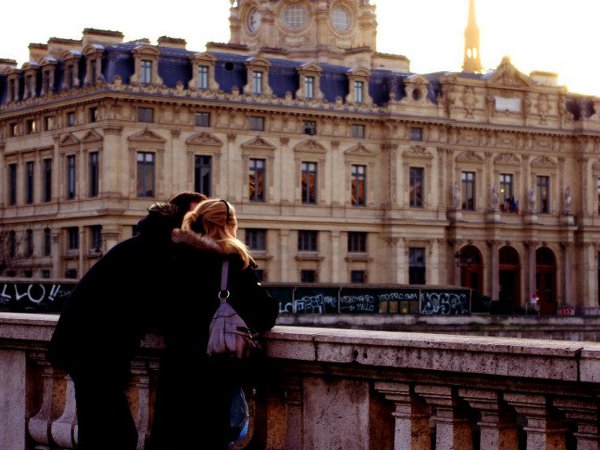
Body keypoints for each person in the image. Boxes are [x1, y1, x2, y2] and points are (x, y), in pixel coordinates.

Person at [47, 191, 206, 450]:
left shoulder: (149, 245)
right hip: (91, 349)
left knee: (104, 432)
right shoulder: (159, 252)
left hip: (88, 347)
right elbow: (162, 302)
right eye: (198, 219)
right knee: (115, 436)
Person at [149, 198, 279, 450]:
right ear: (230, 225)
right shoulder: (231, 260)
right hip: (211, 371)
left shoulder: (173, 257)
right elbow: (265, 314)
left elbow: (158, 310)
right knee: (207, 439)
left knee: (170, 438)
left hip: (175, 367)